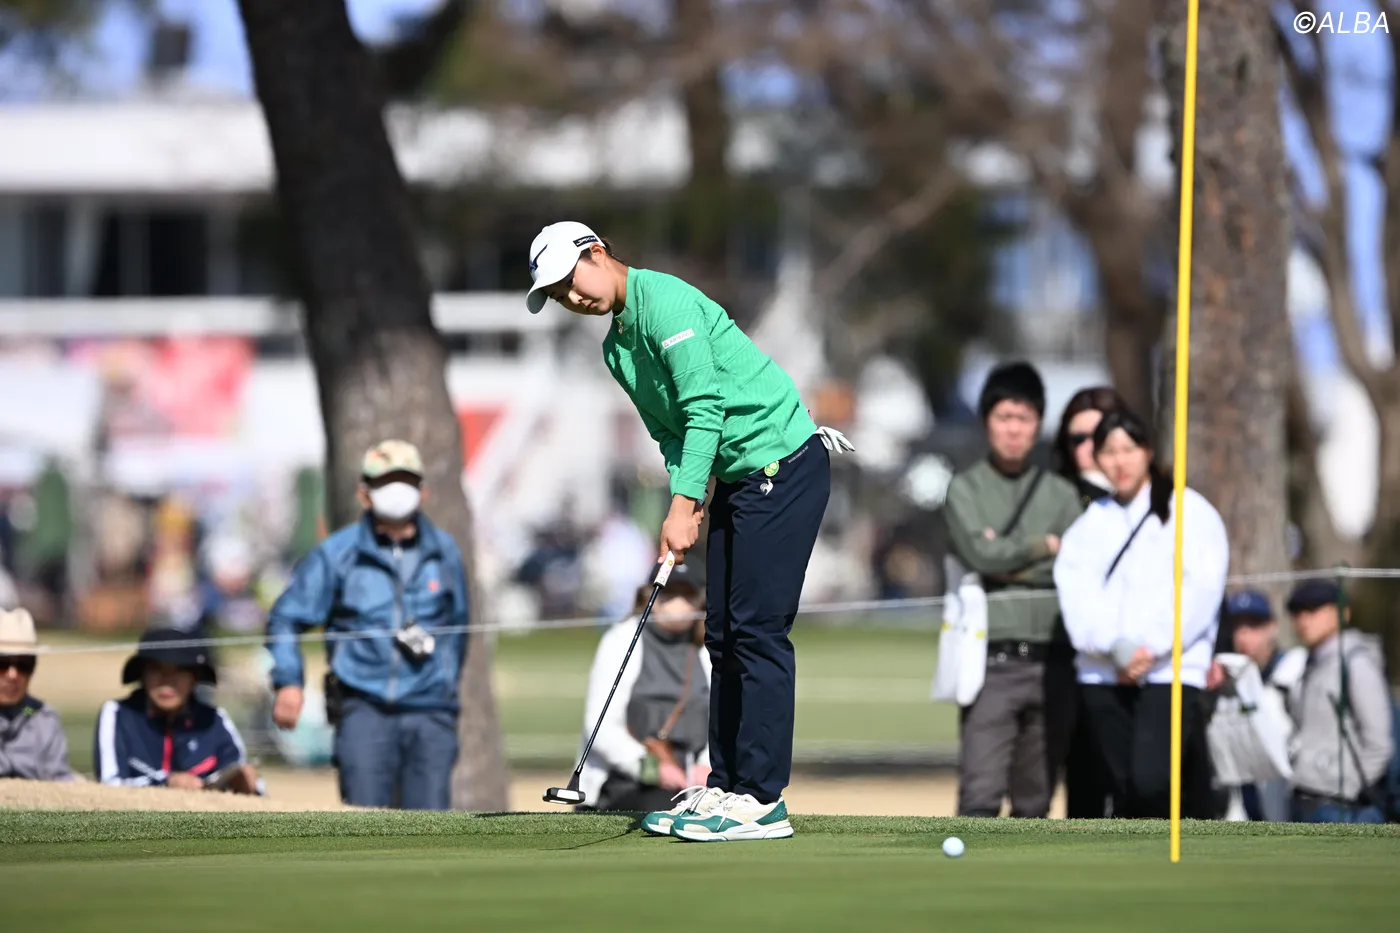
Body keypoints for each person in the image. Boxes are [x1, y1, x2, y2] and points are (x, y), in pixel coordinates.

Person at [524, 221, 853, 841]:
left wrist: (680, 505)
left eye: (571, 280)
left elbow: (706, 409)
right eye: (558, 294)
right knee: (721, 636)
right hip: (737, 478)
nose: (572, 297)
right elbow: (670, 433)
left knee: (757, 633)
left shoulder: (667, 303)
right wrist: (691, 500)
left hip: (783, 464)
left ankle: (763, 799)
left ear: (598, 253)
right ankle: (726, 787)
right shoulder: (617, 350)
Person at [265, 439, 470, 810]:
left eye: (407, 480)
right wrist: (288, 681)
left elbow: (459, 628)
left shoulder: (445, 552)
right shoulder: (337, 554)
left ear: (424, 492)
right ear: (364, 494)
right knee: (366, 828)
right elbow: (286, 617)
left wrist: (445, 688)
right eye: (386, 481)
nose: (398, 490)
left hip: (431, 713)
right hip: (363, 709)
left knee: (431, 832)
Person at [1052, 409, 1228, 819]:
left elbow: (1202, 588)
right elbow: (1077, 595)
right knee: (1123, 790)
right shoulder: (1089, 525)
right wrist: (1112, 648)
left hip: (1169, 670)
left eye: (1128, 449)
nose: (1120, 462)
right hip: (1103, 672)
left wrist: (1154, 646)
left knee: (1152, 780)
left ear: (1147, 451)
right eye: (1109, 451)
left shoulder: (1190, 512)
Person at [941, 362, 1082, 817]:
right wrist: (1044, 546)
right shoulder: (965, 489)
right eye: (1004, 417)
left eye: (1024, 418)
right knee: (979, 797)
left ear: (1038, 423)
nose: (1014, 429)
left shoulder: (1062, 494)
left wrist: (1004, 561)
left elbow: (1075, 569)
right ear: (986, 421)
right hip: (990, 662)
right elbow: (979, 558)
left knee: (1036, 802)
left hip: (1053, 662)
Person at [1048, 385, 1130, 817]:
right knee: (1085, 788)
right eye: (1076, 438)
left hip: (1141, 660)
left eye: (1097, 436)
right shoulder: (1058, 497)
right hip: (1078, 665)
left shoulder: (1148, 499)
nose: (1087, 447)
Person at [577, 559, 711, 824]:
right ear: (650, 594)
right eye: (669, 593)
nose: (677, 602)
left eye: (687, 594)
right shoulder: (621, 640)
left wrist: (707, 766)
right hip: (626, 782)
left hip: (695, 784)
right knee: (663, 807)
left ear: (700, 600)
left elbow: (725, 721)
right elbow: (599, 726)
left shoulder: (709, 647)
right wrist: (652, 769)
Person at [94, 627, 260, 793]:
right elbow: (110, 783)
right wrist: (167, 783)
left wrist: (246, 784)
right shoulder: (118, 714)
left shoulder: (215, 720)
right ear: (143, 674)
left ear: (194, 677)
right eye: (157, 669)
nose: (167, 681)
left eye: (179, 670)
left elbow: (242, 773)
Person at [1285, 580, 1394, 823]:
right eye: (1297, 613)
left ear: (1342, 613)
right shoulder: (1312, 664)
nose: (1303, 620)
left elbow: (1378, 744)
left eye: (1313, 610)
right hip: (1304, 799)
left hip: (1340, 807)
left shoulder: (1356, 664)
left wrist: (1345, 788)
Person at [0, 608, 76, 781]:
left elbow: (59, 778)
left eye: (24, 664)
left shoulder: (36, 715)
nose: (13, 675)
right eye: (2, 663)